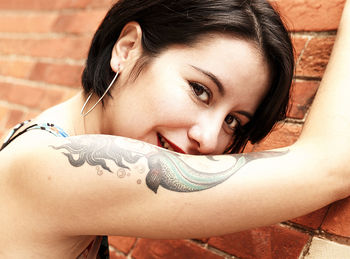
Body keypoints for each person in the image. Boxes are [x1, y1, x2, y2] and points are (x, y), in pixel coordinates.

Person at [0, 0, 349, 258]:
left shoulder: (40, 139)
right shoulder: (54, 168)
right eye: (200, 90)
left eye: (233, 121)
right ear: (127, 49)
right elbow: (329, 166)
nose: (210, 138)